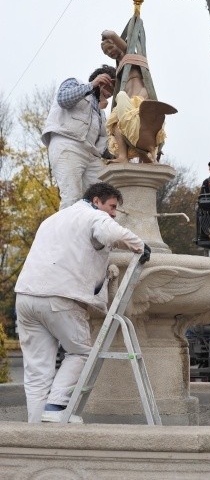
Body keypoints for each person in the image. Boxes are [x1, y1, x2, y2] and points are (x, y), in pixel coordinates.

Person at [15, 182, 150, 424]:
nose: (113, 213)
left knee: (37, 369)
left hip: (26, 297)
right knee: (82, 352)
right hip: (60, 297)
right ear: (96, 200)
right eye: (112, 206)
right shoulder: (92, 216)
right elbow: (112, 233)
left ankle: (35, 428)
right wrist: (140, 246)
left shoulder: (53, 219)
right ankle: (56, 407)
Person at [42, 64, 116, 209]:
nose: (110, 94)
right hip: (68, 144)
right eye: (110, 88)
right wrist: (92, 85)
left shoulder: (100, 113)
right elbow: (63, 99)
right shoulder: (75, 82)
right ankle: (67, 232)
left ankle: (94, 231)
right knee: (72, 197)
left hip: (91, 154)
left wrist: (123, 153)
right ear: (102, 80)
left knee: (104, 198)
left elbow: (102, 145)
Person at [101, 29, 176, 163]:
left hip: (139, 95)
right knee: (118, 127)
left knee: (136, 122)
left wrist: (108, 34)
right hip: (126, 98)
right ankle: (123, 157)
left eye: (110, 48)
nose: (110, 53)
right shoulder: (119, 66)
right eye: (106, 53)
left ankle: (150, 153)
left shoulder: (130, 55)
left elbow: (121, 42)